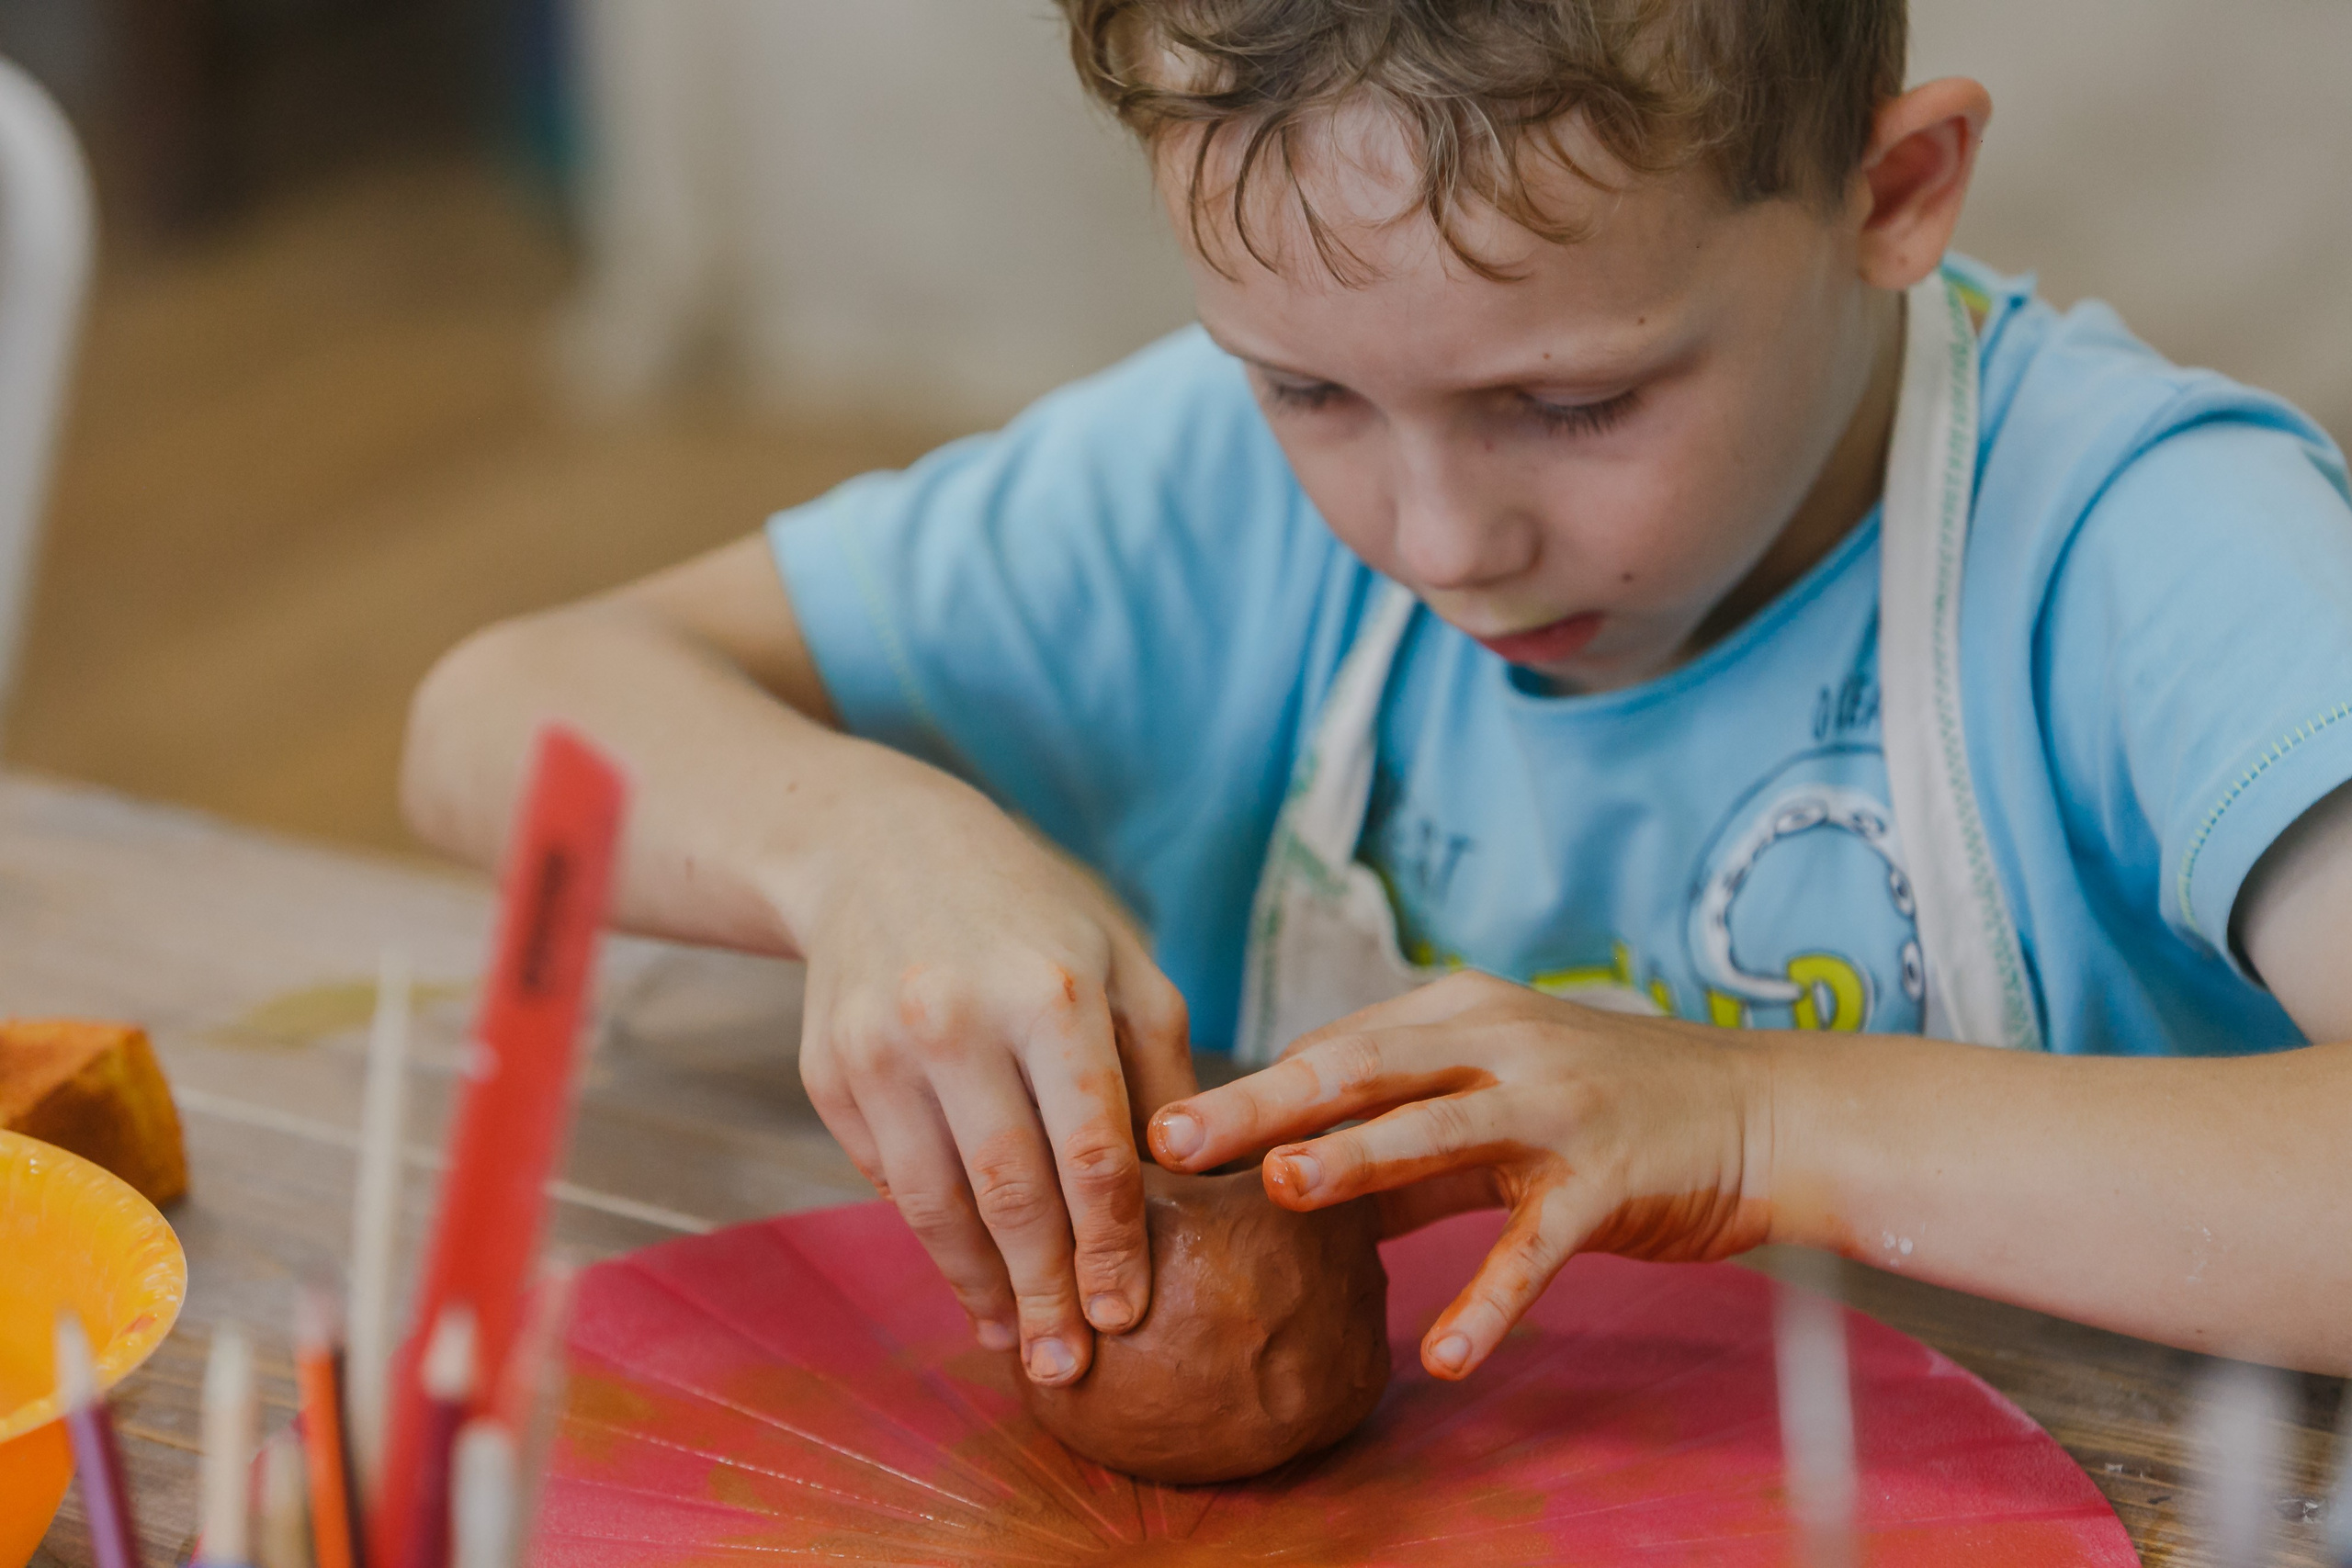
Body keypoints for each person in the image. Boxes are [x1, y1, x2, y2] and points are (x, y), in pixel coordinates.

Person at [401, 0, 2352, 1390]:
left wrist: (1754, 1119)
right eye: (1307, 387)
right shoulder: (1202, 491)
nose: (1432, 536)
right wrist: (854, 844)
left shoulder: (2150, 557)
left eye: (1567, 401)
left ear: (1892, 190)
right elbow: (498, 713)